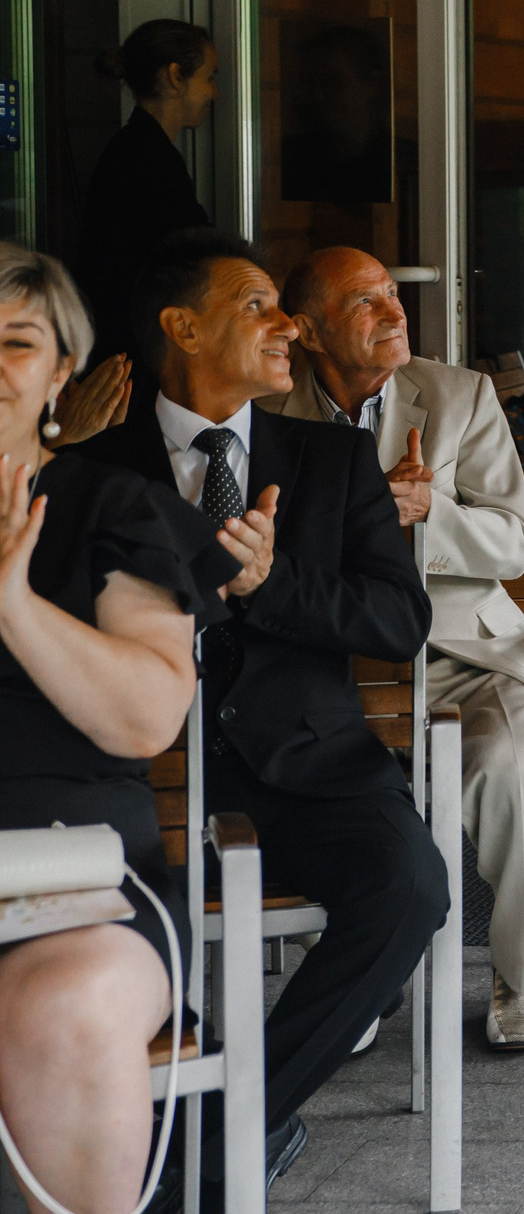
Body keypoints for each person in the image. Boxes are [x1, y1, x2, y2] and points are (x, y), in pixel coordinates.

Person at [83, 231, 438, 1185]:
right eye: (258, 305)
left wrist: (272, 582)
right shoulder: (94, 464)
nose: (289, 325)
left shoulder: (332, 460)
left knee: (411, 886)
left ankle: (230, 1121)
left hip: (313, 766)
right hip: (137, 776)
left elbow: (400, 620)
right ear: (182, 327)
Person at [270, 246, 524, 1048]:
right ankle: (350, 975)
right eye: (367, 302)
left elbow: (515, 541)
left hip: (460, 657)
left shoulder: (458, 396)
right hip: (324, 659)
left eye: (394, 294)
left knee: (510, 771)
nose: (396, 312)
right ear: (308, 330)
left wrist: (429, 511)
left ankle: (520, 972)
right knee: (282, 766)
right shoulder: (270, 409)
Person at [0, 244, 231, 1214]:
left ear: (62, 372)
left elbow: (146, 717)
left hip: (75, 888)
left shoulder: (111, 505)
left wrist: (10, 602)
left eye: (15, 341)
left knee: (64, 1001)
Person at [66, 20, 221, 438]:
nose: (214, 92)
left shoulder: (140, 151)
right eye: (208, 78)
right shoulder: (145, 160)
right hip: (132, 358)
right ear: (175, 77)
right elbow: (186, 253)